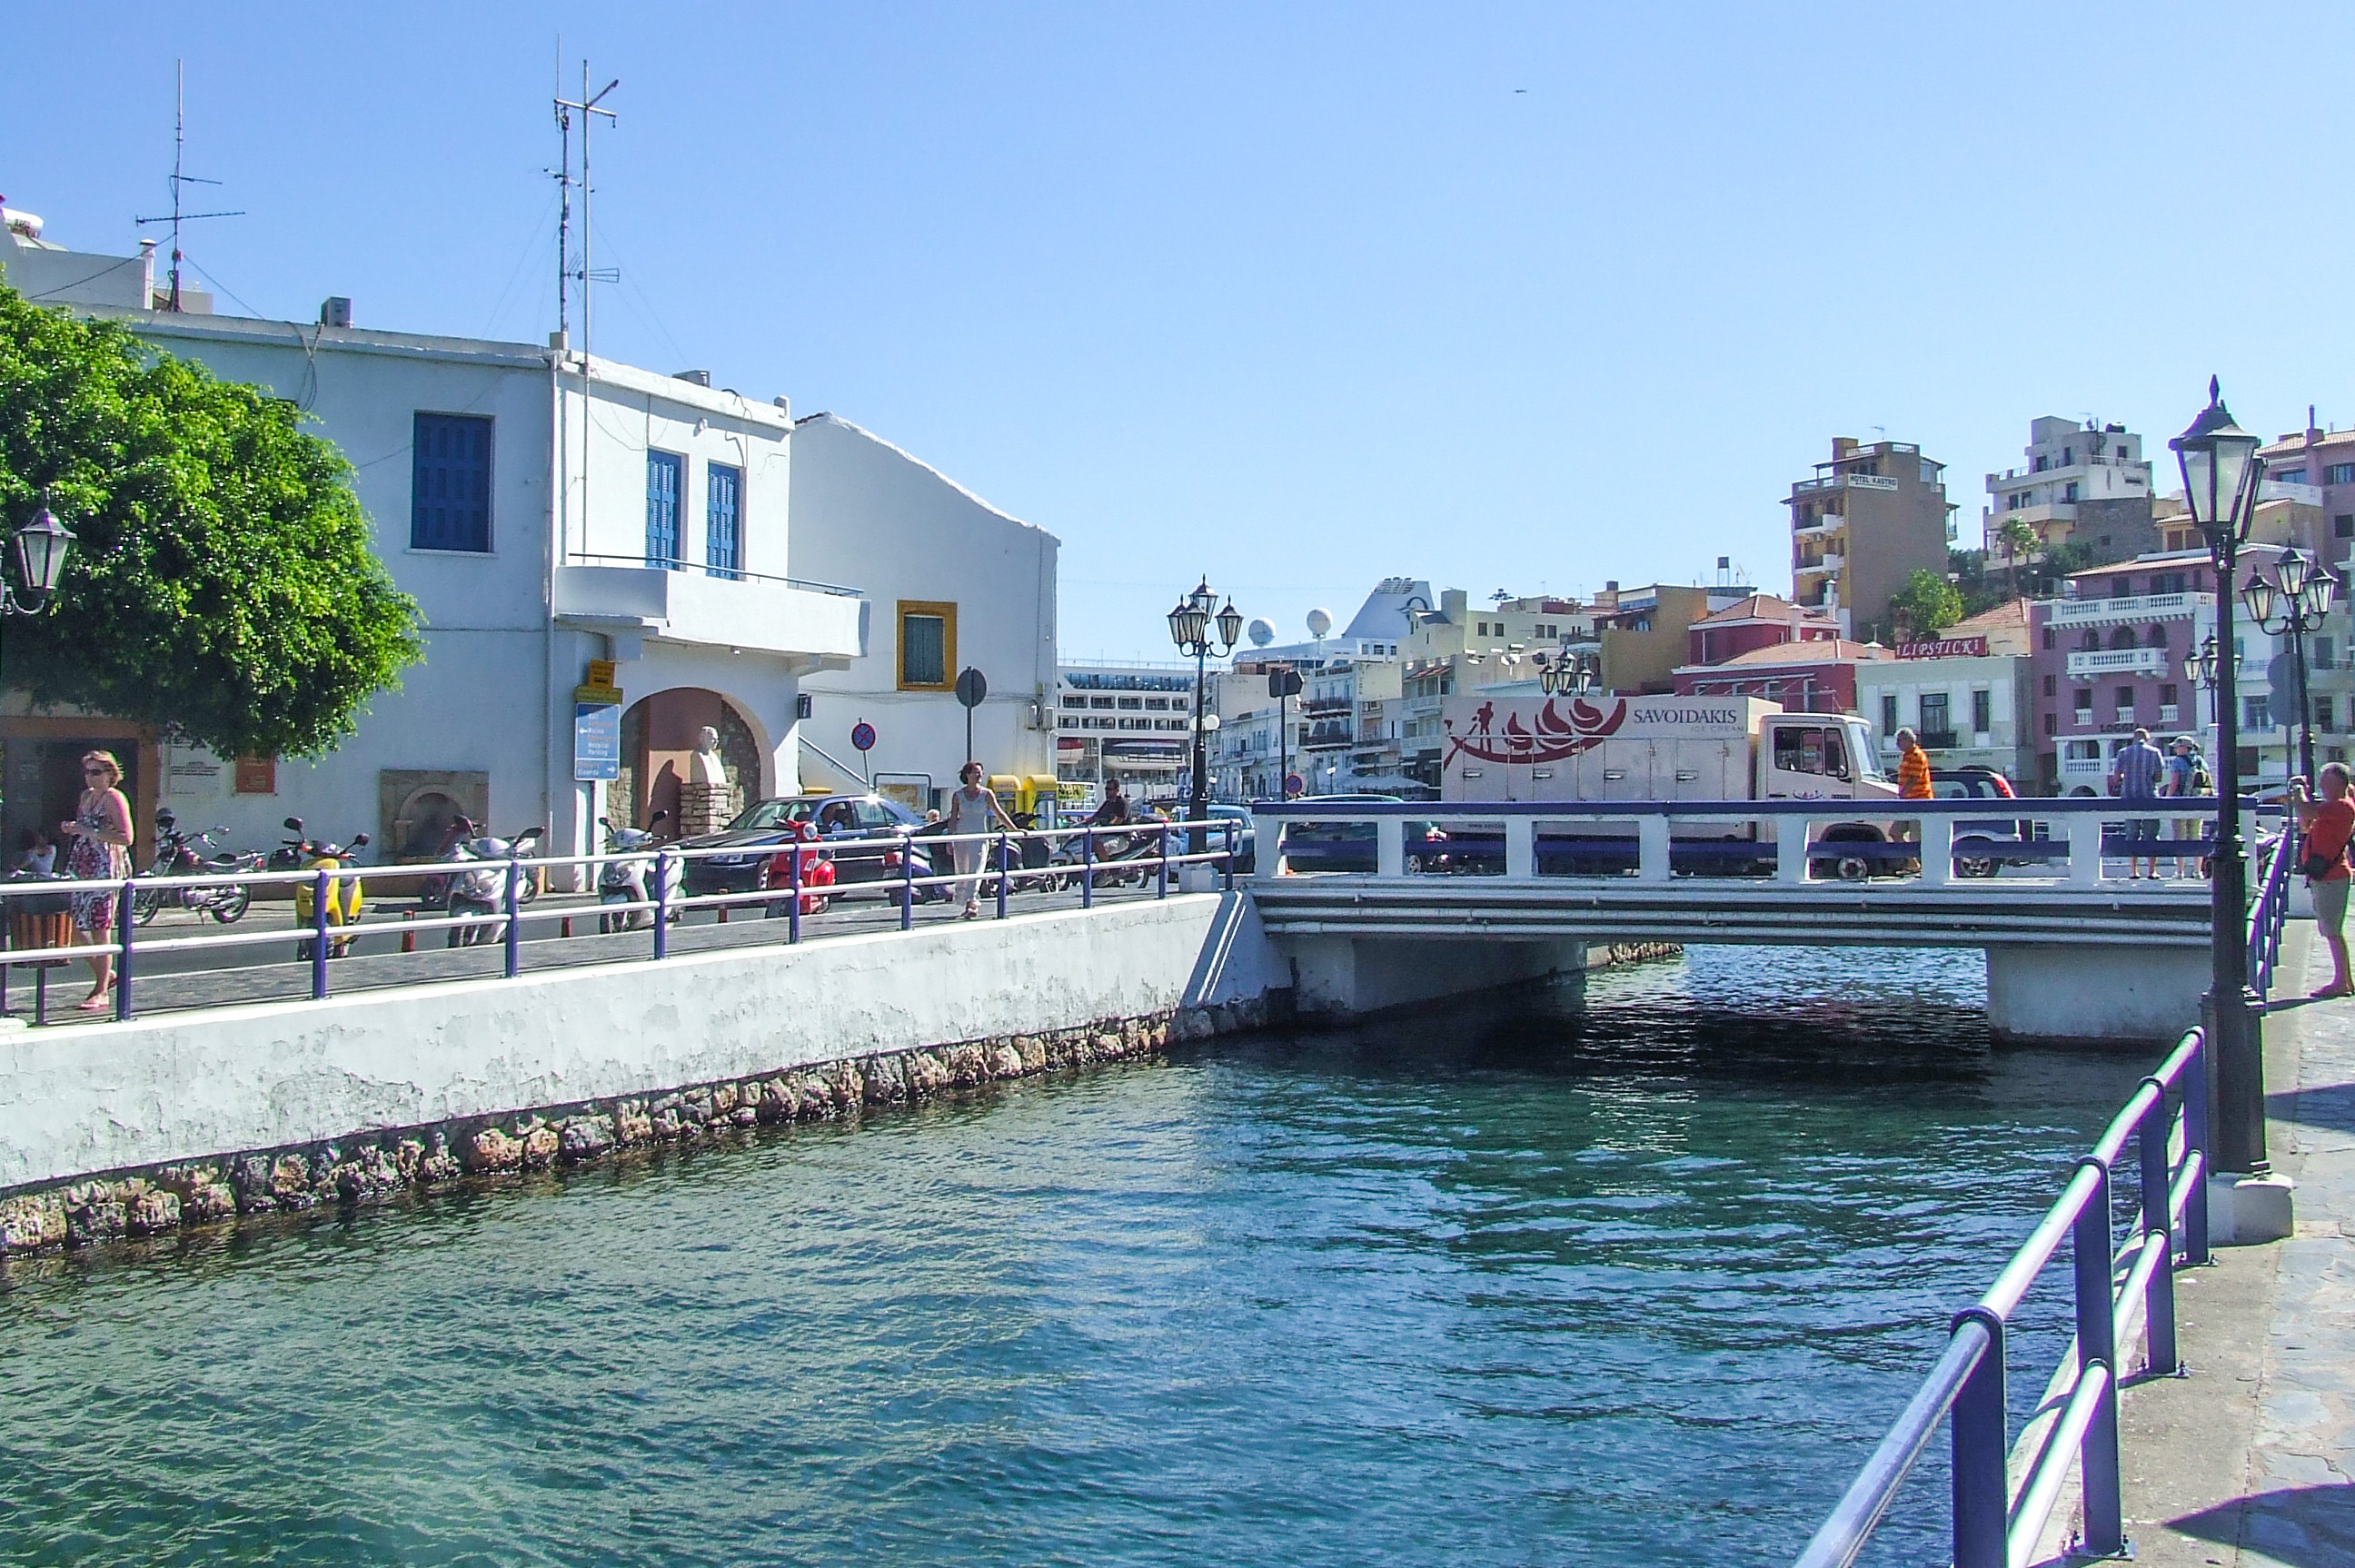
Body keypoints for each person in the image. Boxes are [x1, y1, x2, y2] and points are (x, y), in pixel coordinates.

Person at [58, 749, 134, 1010]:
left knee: (100, 928)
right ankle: (105, 974)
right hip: (82, 865)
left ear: (110, 774)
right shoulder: (86, 797)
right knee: (72, 927)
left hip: (105, 865)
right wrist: (73, 829)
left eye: (96, 772)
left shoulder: (114, 798)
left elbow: (126, 837)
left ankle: (101, 990)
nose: (90, 777)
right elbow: (83, 828)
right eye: (88, 772)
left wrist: (88, 831)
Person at [2291, 763, 2355, 999]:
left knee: (2332, 931)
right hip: (2327, 875)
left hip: (2332, 876)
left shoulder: (2341, 806)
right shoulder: (2335, 806)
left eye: (2325, 780)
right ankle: (2345, 980)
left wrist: (2298, 790)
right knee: (2331, 930)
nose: (2321, 785)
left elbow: (2306, 812)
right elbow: (2306, 823)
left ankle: (2341, 981)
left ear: (2338, 782)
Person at [941, 760, 1017, 918]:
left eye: (980, 772)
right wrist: (949, 839)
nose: (979, 775)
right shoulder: (958, 795)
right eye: (975, 772)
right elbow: (953, 818)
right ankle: (965, 901)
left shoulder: (986, 794)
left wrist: (1014, 829)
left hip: (980, 837)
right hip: (962, 837)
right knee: (963, 871)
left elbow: (999, 813)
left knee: (976, 870)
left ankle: (972, 903)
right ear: (967, 775)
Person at [2108, 727, 2167, 880]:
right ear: (2147, 738)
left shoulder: (2123, 752)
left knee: (2131, 834)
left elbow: (2116, 778)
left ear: (2133, 738)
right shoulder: (2154, 752)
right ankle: (2152, 871)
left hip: (2129, 797)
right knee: (2151, 835)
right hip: (2149, 798)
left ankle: (2134, 871)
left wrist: (2125, 778)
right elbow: (2159, 777)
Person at [2165, 736, 2203, 879]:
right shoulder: (2200, 761)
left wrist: (2168, 798)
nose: (2175, 749)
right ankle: (2198, 871)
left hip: (2180, 803)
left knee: (2180, 836)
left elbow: (2174, 783)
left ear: (2184, 748)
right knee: (2195, 836)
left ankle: (2180, 871)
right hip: (2197, 804)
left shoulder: (2177, 762)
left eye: (2177, 747)